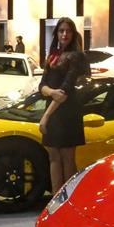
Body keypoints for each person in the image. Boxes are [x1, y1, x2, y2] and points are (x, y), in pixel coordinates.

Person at [38, 17, 88, 194]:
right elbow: (41, 85)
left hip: (67, 113)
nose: (64, 34)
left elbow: (65, 90)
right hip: (53, 110)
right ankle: (55, 200)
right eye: (61, 30)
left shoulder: (77, 56)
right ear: (56, 33)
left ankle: (68, 202)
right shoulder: (52, 55)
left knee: (67, 158)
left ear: (73, 34)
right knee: (53, 157)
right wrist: (51, 92)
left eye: (68, 31)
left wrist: (45, 116)